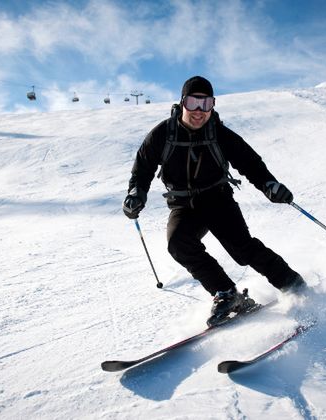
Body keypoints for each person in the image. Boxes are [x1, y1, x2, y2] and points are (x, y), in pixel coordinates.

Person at [123, 76, 305, 326]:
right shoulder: (163, 134)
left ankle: (293, 284)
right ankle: (226, 294)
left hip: (217, 199)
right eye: (193, 103)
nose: (199, 111)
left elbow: (249, 162)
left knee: (242, 248)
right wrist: (136, 193)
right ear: (182, 102)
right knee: (178, 243)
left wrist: (269, 185)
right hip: (184, 205)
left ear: (213, 105)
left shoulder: (220, 134)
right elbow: (142, 169)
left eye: (206, 104)